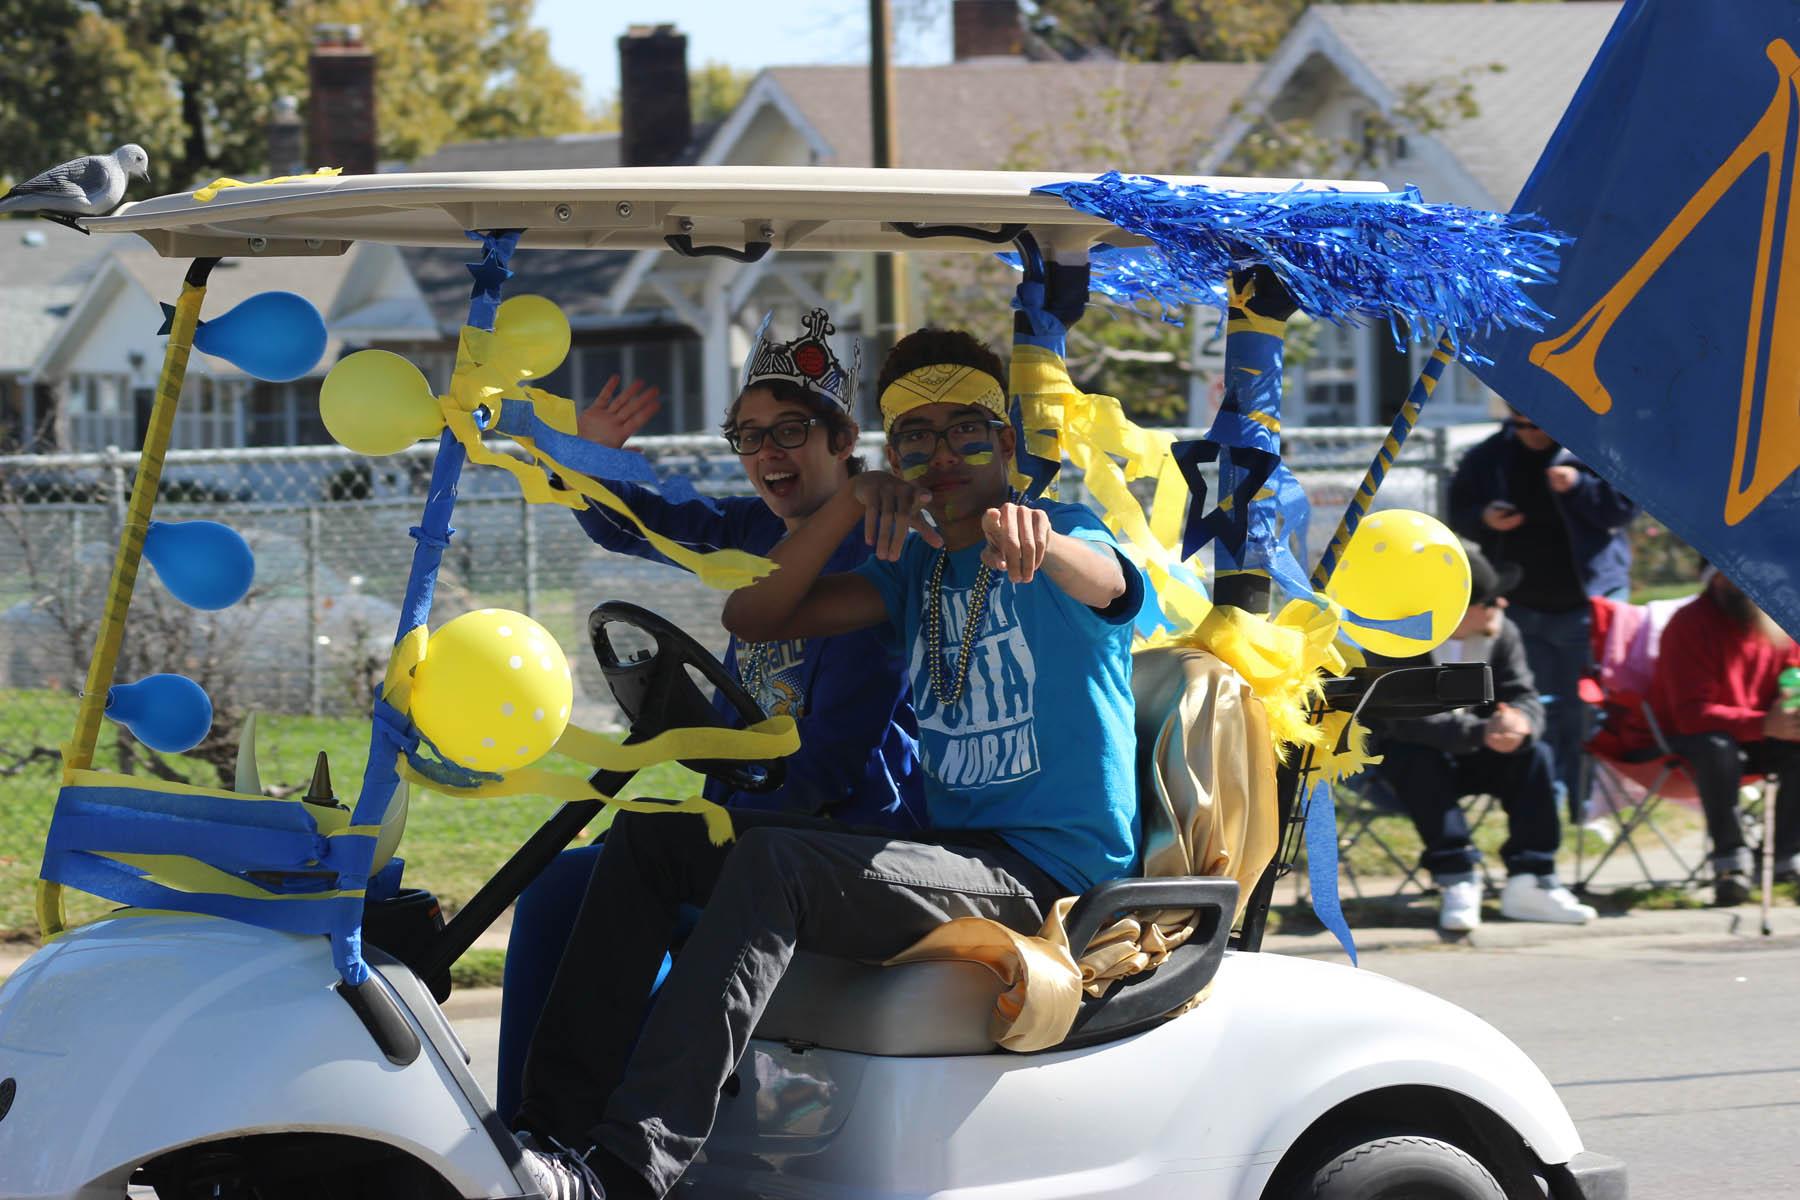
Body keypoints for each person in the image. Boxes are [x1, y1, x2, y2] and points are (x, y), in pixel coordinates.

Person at [513, 325, 1145, 1199]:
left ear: (1005, 443)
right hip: (951, 854)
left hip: (1045, 873)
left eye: (966, 432)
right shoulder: (915, 569)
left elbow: (1110, 583)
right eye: (915, 438)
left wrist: (1039, 537)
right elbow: (754, 618)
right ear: (889, 454)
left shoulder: (1062, 532)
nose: (941, 455)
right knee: (651, 837)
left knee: (776, 861)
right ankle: (550, 1140)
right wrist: (847, 505)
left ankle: (630, 1168)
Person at [495, 309, 925, 1123]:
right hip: (754, 814)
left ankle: (588, 1124)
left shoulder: (878, 551)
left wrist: (721, 813)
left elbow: (836, 755)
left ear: (844, 440)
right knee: (558, 885)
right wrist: (592, 457)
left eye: (790, 430)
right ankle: (527, 1124)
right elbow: (642, 524)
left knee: (633, 875)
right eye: (749, 436)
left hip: (836, 834)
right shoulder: (754, 528)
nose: (767, 453)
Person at [1366, 540, 1597, 931]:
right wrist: (1481, 731)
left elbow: (1524, 694)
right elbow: (1403, 720)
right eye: (1488, 601)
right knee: (1413, 756)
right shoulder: (1397, 643)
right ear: (1453, 610)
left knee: (1533, 754)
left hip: (1478, 752)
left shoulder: (1502, 632)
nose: (1501, 605)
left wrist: (1520, 724)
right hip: (1408, 765)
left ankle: (1532, 878)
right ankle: (1456, 875)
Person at [1449, 408, 1637, 824]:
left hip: (1587, 603)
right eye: (1520, 425)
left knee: (1586, 709)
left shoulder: (1595, 450)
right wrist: (1484, 518)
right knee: (1537, 708)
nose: (1530, 433)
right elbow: (1458, 509)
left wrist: (1580, 487)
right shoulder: (1489, 456)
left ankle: (1588, 805)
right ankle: (1546, 802)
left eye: (1538, 425)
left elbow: (1623, 509)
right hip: (1521, 605)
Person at [1649, 566, 1800, 906]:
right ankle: (1730, 860)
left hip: (1761, 733)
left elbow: (1792, 674)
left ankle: (1786, 854)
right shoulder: (1689, 624)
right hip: (1695, 739)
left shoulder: (1778, 618)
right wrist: (1764, 724)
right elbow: (1691, 716)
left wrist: (1791, 709)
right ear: (1717, 577)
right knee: (1716, 748)